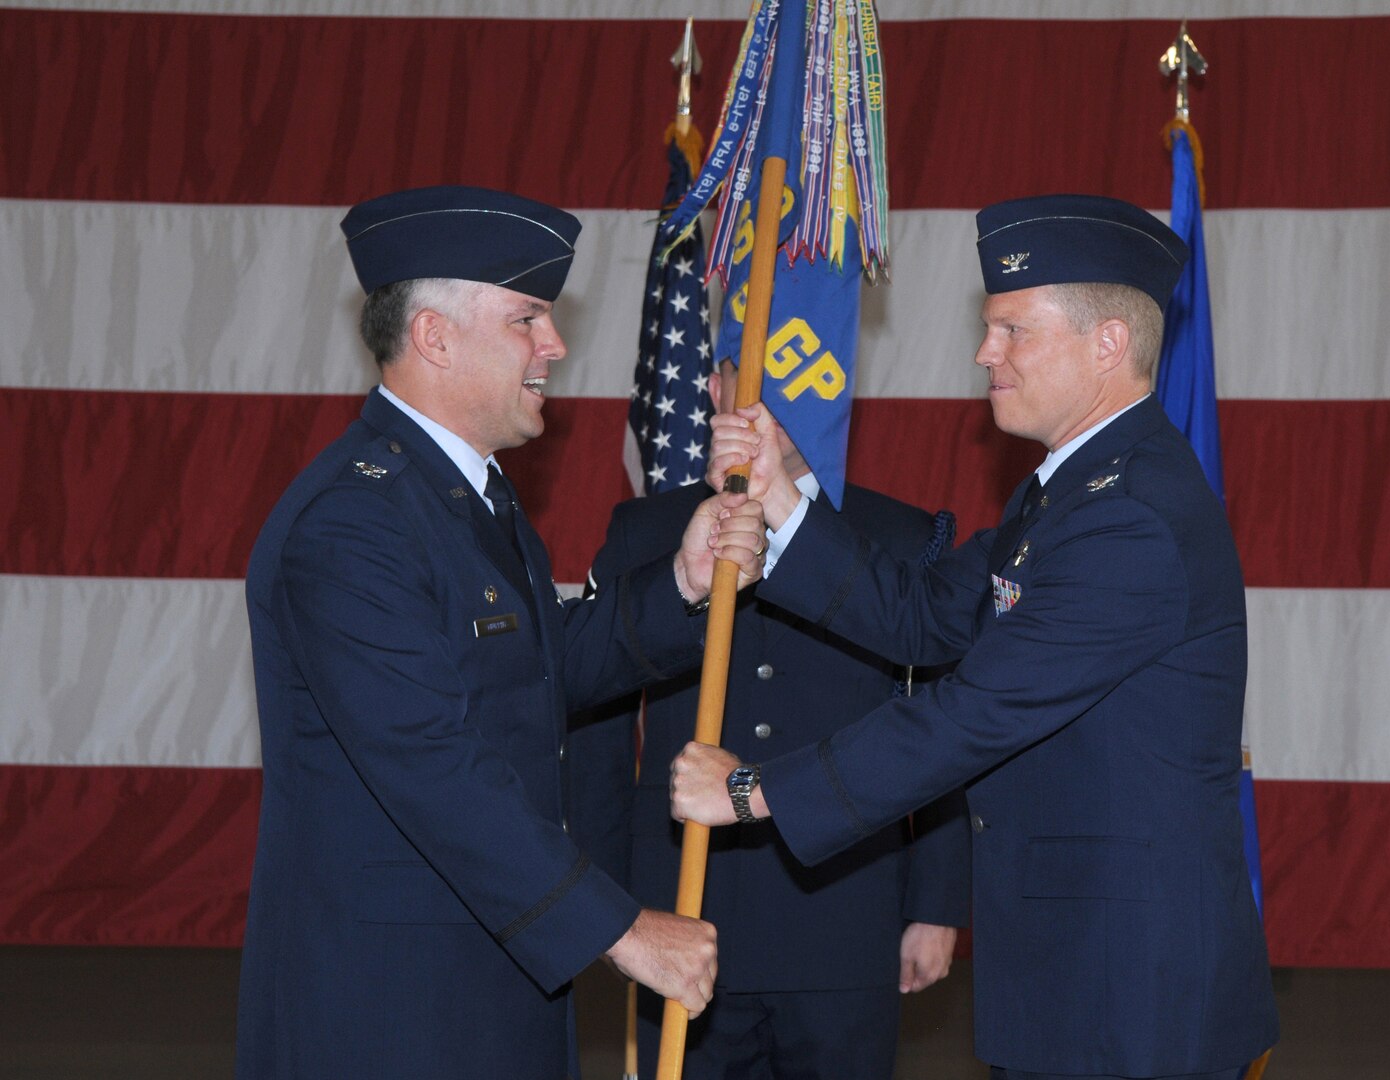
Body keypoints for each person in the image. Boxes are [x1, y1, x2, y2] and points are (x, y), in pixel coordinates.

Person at [671, 194, 1280, 1079]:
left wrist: (757, 790)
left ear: (1108, 344)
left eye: (1012, 331)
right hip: (1072, 967)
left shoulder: (1132, 517)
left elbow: (974, 713)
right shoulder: (1066, 492)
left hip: (1132, 990)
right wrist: (782, 495)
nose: (983, 353)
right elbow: (922, 615)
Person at [236, 184, 766, 1080]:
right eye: (528, 319)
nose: (554, 345)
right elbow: (432, 764)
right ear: (435, 337)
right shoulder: (353, 523)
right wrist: (622, 929)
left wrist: (681, 580)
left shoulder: (461, 493)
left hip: (487, 985)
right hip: (390, 1015)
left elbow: (536, 667)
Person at [576, 357, 970, 1080]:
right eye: (741, 374)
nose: (763, 401)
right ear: (715, 390)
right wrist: (606, 907)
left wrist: (935, 903)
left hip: (845, 912)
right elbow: (596, 729)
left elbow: (939, 731)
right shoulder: (645, 532)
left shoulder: (900, 540)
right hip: (682, 909)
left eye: (794, 378)